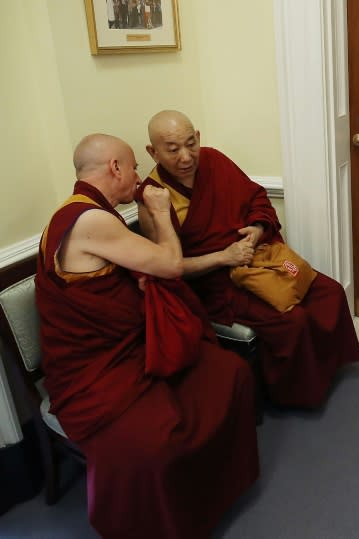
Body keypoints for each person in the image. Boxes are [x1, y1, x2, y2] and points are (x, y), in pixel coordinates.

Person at [35, 134, 260, 539]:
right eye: (134, 166)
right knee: (155, 441)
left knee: (228, 373)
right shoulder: (90, 220)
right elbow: (170, 266)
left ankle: (210, 495)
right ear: (115, 168)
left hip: (129, 347)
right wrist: (159, 212)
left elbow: (132, 273)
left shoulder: (87, 212)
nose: (139, 175)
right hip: (97, 371)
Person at [138, 110, 359, 408]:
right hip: (217, 285)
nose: (186, 156)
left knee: (327, 290)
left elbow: (256, 197)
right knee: (291, 320)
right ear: (152, 152)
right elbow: (169, 268)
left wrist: (256, 230)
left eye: (190, 143)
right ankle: (296, 394)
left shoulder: (215, 161)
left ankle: (327, 368)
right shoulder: (153, 199)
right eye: (173, 149)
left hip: (261, 259)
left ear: (199, 138)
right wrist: (224, 257)